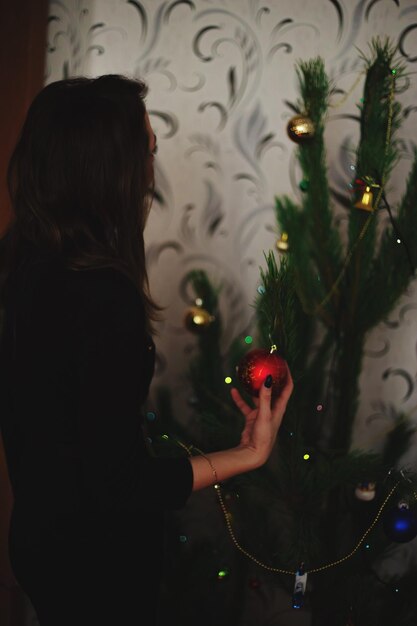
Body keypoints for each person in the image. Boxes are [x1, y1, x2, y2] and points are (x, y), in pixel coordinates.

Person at [0, 75, 293, 626]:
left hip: (39, 544)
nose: (153, 166)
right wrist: (247, 456)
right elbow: (120, 483)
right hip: (95, 567)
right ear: (108, 169)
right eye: (147, 149)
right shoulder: (101, 297)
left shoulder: (20, 265)